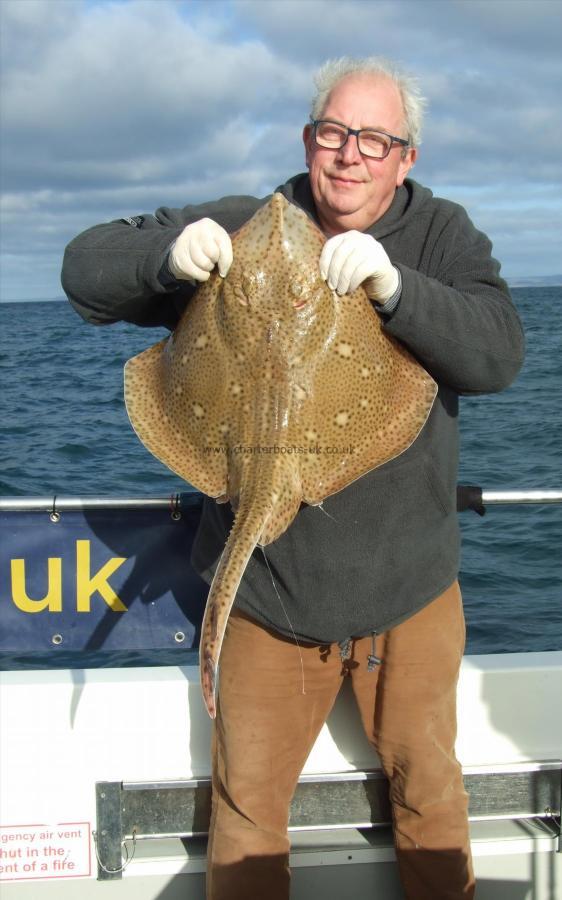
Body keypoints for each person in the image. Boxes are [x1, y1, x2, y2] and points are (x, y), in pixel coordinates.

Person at [61, 56, 525, 900]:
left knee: (431, 794)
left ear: (405, 157)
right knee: (246, 818)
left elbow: (498, 352)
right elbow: (84, 270)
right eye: (335, 134)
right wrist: (168, 259)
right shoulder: (246, 225)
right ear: (310, 140)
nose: (351, 155)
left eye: (374, 140)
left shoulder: (442, 236)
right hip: (269, 600)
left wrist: (397, 290)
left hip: (407, 591)